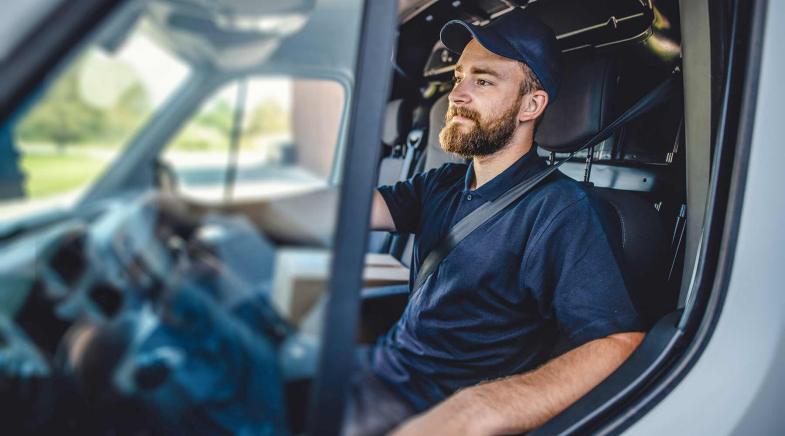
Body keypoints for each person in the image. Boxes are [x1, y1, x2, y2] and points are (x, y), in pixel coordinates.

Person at [345, 8, 645, 436]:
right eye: (458, 77)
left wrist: (478, 410)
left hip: (426, 410)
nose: (457, 94)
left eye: (482, 81)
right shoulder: (445, 182)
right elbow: (353, 208)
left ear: (531, 105)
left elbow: (618, 342)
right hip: (378, 371)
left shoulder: (562, 210)